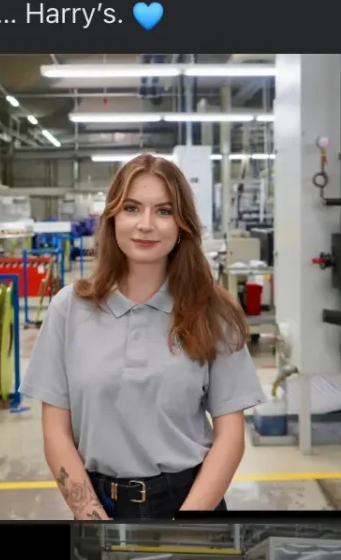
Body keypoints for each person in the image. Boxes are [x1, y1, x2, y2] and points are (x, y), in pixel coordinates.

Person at [21, 153, 266, 519]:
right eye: (132, 208)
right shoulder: (68, 309)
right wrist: (89, 515)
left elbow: (230, 436)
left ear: (182, 224)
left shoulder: (212, 313)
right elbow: (56, 432)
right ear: (112, 218)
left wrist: (186, 526)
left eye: (164, 211)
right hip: (98, 505)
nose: (146, 225)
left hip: (192, 502)